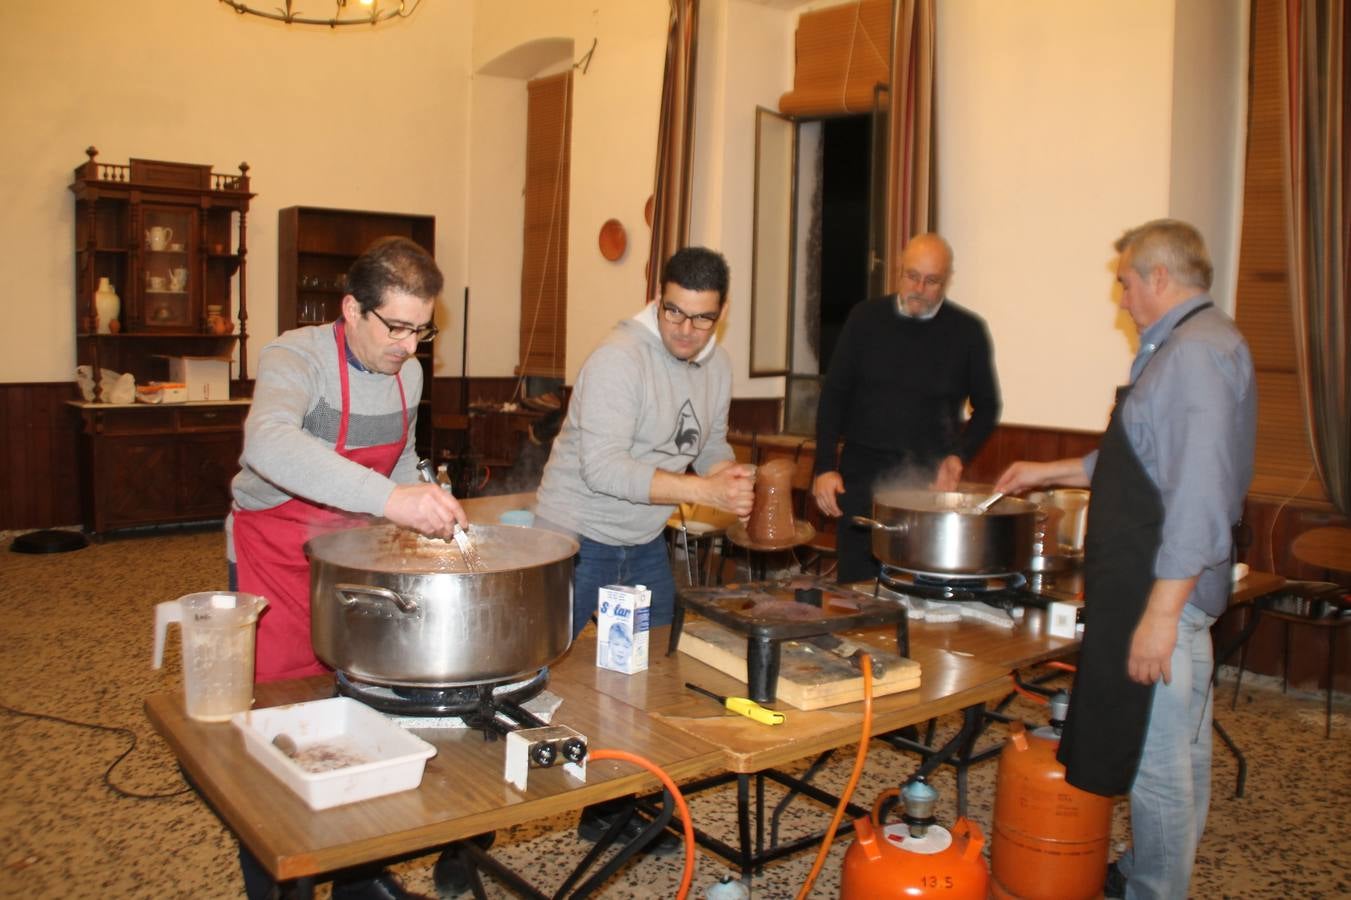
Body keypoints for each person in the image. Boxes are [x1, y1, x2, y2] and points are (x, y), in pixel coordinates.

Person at [993, 220, 1256, 900]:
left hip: (1161, 593)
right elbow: (1135, 456)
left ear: (1158, 278)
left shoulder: (1191, 356)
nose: (1120, 297)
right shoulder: (1200, 342)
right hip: (1173, 592)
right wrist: (1045, 471)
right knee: (1185, 756)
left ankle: (1152, 891)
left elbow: (1195, 499)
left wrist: (1157, 618)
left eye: (1125, 282)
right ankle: (1149, 876)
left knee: (1156, 770)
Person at [227, 235, 464, 900]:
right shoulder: (293, 357)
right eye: (395, 327)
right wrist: (391, 500)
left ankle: (359, 882)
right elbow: (269, 444)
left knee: (362, 717)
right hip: (272, 557)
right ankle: (280, 886)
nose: (408, 347)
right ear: (350, 310)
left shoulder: (406, 373)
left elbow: (395, 458)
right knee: (278, 734)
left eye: (422, 329)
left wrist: (421, 498)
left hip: (350, 556)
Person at [534, 246, 756, 638]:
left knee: (656, 656)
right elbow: (603, 469)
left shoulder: (718, 366)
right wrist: (705, 491)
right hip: (576, 532)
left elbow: (710, 446)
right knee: (543, 656)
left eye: (702, 318)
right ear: (657, 297)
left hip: (644, 536)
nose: (686, 330)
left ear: (722, 312)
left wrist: (729, 479)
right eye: (674, 311)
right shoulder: (620, 358)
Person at [811, 233, 1001, 582]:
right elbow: (834, 395)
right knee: (856, 592)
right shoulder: (864, 319)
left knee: (919, 591)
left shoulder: (968, 331)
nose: (919, 288)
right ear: (898, 273)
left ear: (947, 280)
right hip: (861, 479)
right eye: (912, 276)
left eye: (932, 281)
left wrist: (957, 457)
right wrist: (824, 466)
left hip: (927, 484)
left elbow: (988, 408)